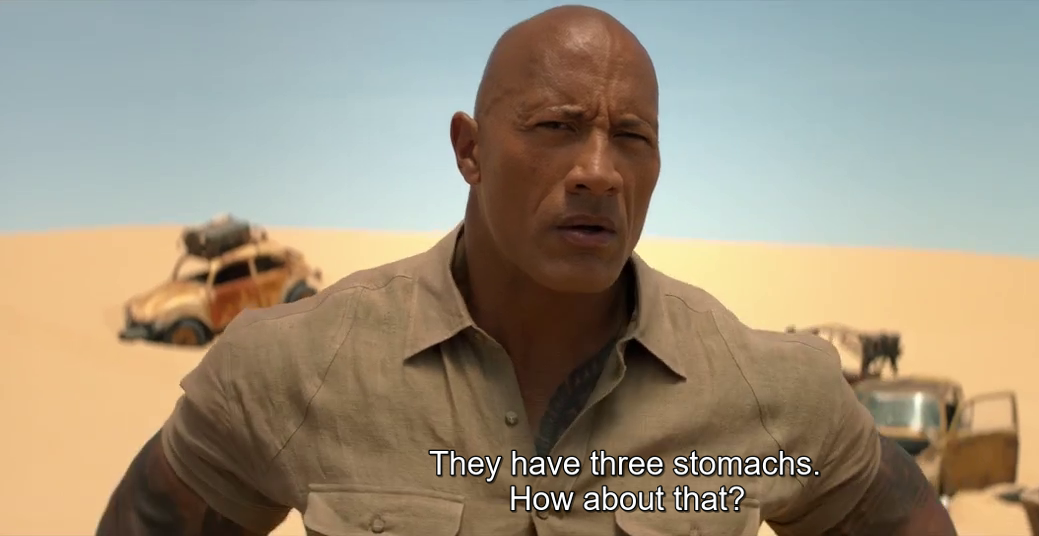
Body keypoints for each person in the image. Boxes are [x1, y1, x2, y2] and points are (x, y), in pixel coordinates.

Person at [95, 5, 956, 536]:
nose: (599, 171)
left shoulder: (769, 391)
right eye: (555, 127)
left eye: (632, 137)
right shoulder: (294, 367)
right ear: (470, 150)